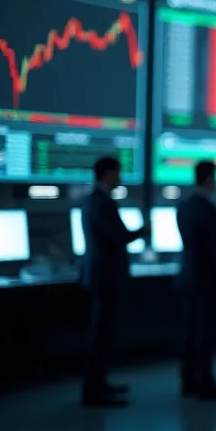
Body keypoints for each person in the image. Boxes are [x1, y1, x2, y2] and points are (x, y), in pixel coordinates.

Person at [79, 156, 147, 407]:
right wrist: (142, 231)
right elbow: (118, 236)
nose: (121, 178)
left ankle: (99, 384)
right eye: (118, 173)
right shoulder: (103, 202)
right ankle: (94, 392)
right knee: (101, 335)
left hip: (100, 275)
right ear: (107, 174)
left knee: (103, 334)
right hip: (106, 277)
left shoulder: (92, 199)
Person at [176, 160, 216, 401]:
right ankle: (207, 384)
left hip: (188, 279)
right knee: (207, 335)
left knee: (191, 333)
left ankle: (188, 380)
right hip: (208, 282)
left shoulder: (184, 206)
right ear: (209, 180)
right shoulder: (210, 210)